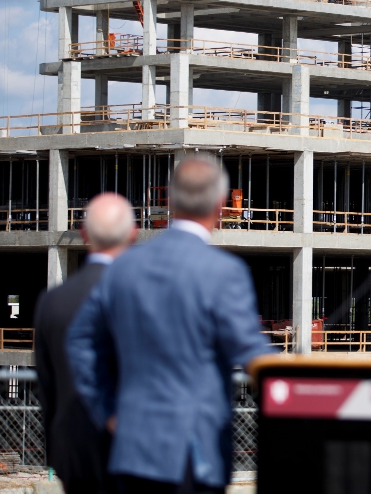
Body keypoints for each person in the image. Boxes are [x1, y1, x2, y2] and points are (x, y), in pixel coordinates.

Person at [67, 155, 270, 494]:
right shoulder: (225, 272)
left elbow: (80, 342)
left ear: (171, 201)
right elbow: (250, 350)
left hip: (132, 449)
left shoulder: (123, 267)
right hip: (196, 452)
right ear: (221, 205)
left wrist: (106, 410)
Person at [35, 193, 137, 494]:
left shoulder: (52, 302)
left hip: (74, 451)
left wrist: (56, 450)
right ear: (133, 235)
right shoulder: (148, 298)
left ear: (83, 234)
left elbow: (47, 386)